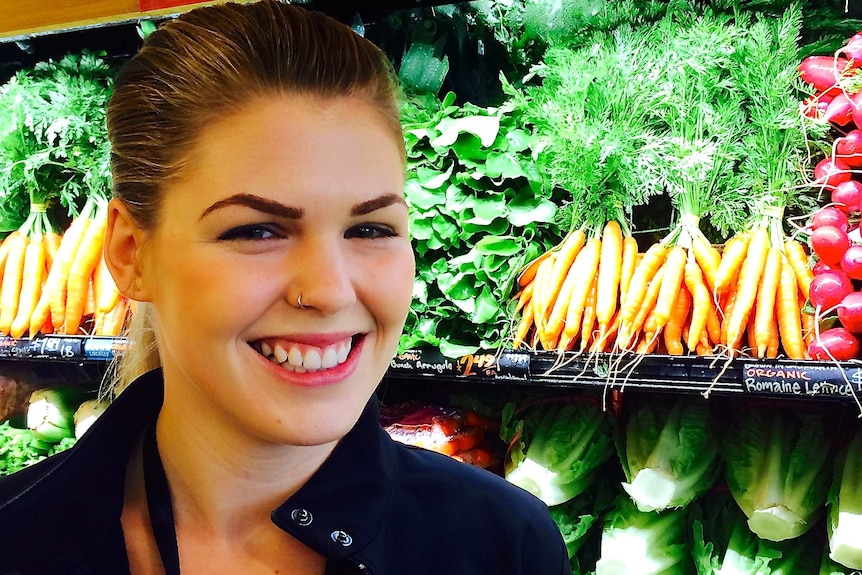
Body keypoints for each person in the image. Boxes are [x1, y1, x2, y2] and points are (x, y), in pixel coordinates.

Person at [0, 2, 570, 574]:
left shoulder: (503, 545)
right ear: (131, 255)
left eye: (370, 228)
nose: (330, 290)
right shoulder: (18, 539)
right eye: (257, 230)